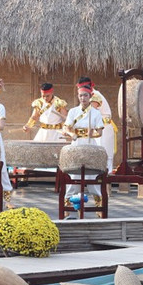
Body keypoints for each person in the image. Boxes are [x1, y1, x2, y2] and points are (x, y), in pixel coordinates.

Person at [61, 83, 105, 211]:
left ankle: (99, 205)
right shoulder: (73, 111)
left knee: (92, 176)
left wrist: (94, 133)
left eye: (85, 95)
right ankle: (67, 204)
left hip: (90, 146)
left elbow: (100, 132)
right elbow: (66, 127)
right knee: (74, 175)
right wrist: (71, 133)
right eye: (80, 95)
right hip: (76, 145)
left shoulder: (95, 113)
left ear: (90, 96)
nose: (83, 98)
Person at [77, 76, 116, 174]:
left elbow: (90, 113)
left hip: (104, 127)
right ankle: (96, 177)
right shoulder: (88, 96)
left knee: (104, 153)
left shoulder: (95, 96)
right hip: (96, 128)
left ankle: (105, 179)